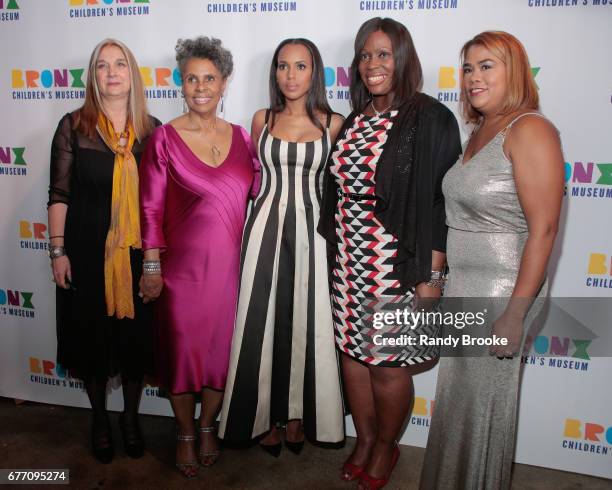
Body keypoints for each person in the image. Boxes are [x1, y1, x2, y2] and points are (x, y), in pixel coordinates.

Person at [318, 17, 461, 490]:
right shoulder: (356, 119)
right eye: (365, 55)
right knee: (353, 357)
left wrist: (432, 275)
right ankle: (364, 438)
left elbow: (442, 201)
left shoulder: (430, 117)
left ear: (403, 58)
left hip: (395, 262)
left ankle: (386, 446)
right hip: (347, 259)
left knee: (386, 363)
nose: (373, 64)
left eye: (383, 53)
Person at [419, 31, 563, 490]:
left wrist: (516, 313)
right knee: (458, 404)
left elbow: (543, 230)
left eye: (487, 65)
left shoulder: (531, 129)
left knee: (483, 411)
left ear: (514, 71)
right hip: (466, 286)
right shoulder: (481, 131)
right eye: (468, 67)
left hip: (503, 291)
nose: (474, 77)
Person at [138, 36, 260, 478]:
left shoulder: (245, 139)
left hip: (230, 275)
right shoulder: (163, 140)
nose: (201, 87)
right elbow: (149, 209)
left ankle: (208, 425)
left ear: (225, 82)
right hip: (180, 277)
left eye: (210, 78)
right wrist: (152, 266)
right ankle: (185, 431)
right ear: (181, 84)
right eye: (192, 79)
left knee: (220, 357)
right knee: (182, 357)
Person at [219, 38, 345, 454]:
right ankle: (262, 418)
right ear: (274, 72)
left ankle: (297, 416)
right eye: (283, 66)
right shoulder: (262, 119)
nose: (290, 75)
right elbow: (249, 179)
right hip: (263, 230)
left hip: (313, 233)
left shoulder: (335, 123)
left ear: (316, 72)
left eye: (301, 66)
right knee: (262, 324)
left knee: (306, 324)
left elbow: (339, 190)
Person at [48, 38, 159, 464]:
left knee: (134, 341)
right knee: (91, 340)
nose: (111, 73)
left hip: (135, 257)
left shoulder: (152, 131)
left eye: (120, 65)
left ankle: (131, 418)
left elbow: (159, 202)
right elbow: (59, 194)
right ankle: (99, 418)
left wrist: (154, 260)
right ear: (92, 77)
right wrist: (57, 252)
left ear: (132, 74)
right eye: (101, 66)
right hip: (86, 253)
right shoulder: (73, 126)